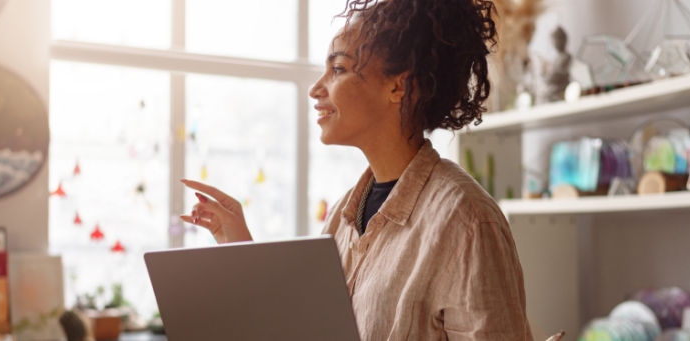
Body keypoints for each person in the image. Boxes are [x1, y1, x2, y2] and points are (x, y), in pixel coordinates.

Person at [180, 0, 532, 339]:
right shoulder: (342, 216)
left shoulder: (466, 221)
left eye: (338, 69)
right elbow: (309, 332)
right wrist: (240, 252)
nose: (316, 89)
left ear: (398, 86)